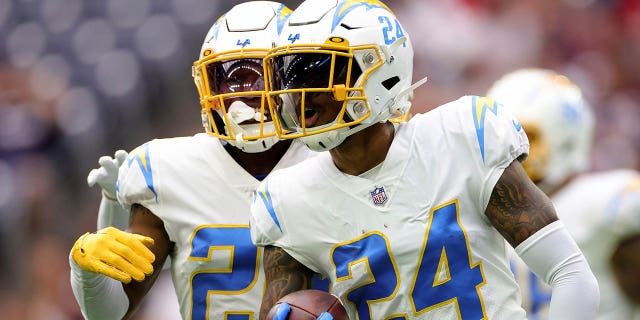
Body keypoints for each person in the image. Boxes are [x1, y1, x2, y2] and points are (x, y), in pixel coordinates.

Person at [248, 0, 600, 319]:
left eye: (318, 73)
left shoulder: (461, 137)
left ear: (378, 70)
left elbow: (570, 273)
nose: (296, 93)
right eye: (289, 75)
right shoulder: (287, 201)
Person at [68, 2, 319, 319]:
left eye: (260, 76)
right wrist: (86, 272)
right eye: (227, 79)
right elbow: (109, 315)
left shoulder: (332, 158)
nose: (241, 95)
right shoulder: (165, 170)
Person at [487, 68, 640, 320]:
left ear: (565, 139)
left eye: (525, 137)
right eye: (496, 137)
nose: (507, 150)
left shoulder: (602, 203)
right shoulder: (485, 215)